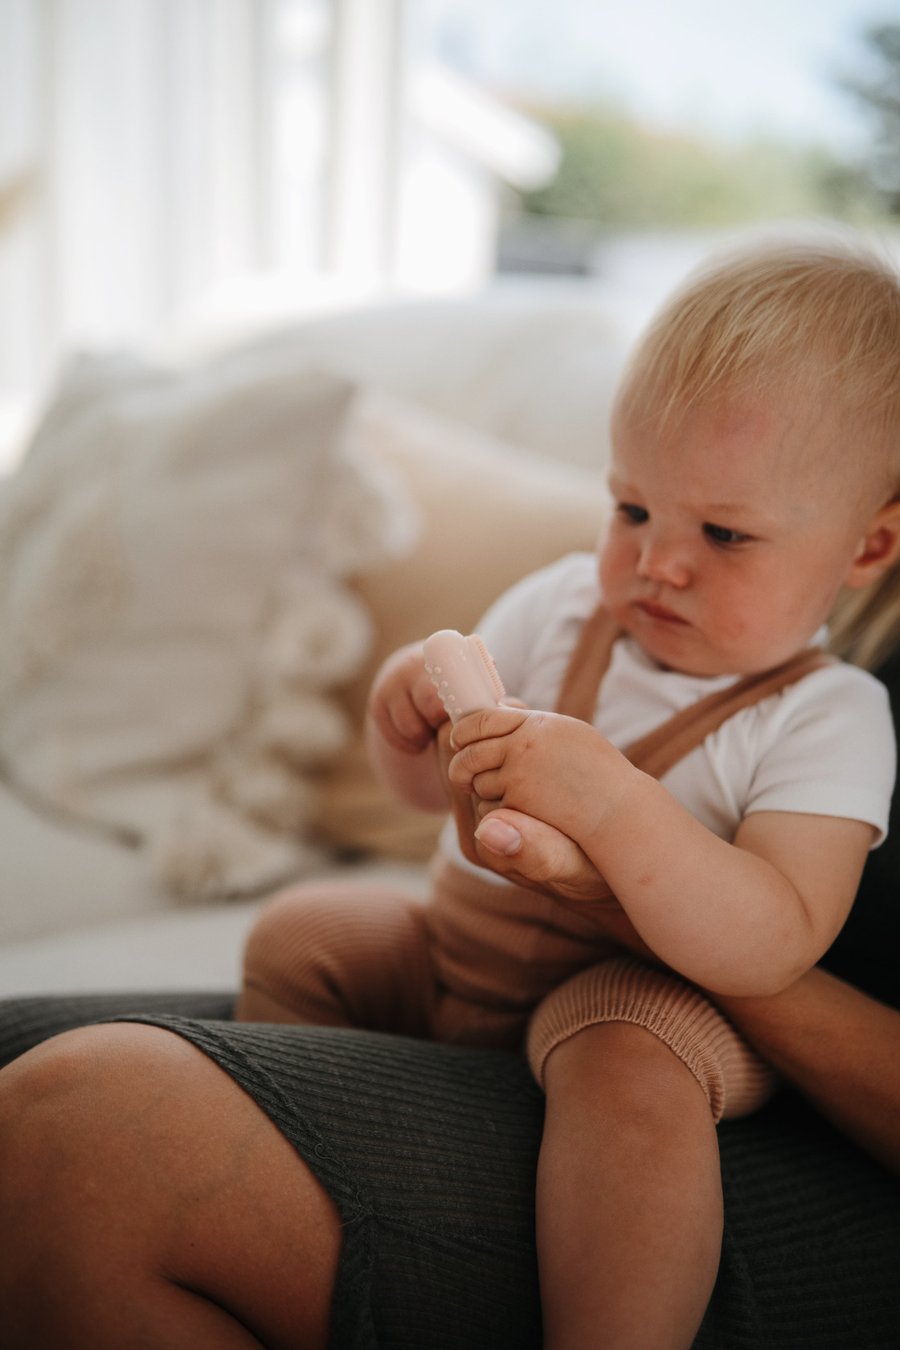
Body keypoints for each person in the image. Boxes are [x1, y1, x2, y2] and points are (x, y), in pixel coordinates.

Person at [1, 237, 900, 1350]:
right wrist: (404, 725)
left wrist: (616, 810)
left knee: (630, 1065)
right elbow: (438, 795)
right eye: (632, 510)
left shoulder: (827, 716)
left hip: (632, 1000)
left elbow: (773, 940)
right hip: (459, 950)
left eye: (722, 533)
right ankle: (318, 1121)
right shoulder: (570, 606)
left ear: (868, 547)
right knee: (312, 927)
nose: (657, 564)